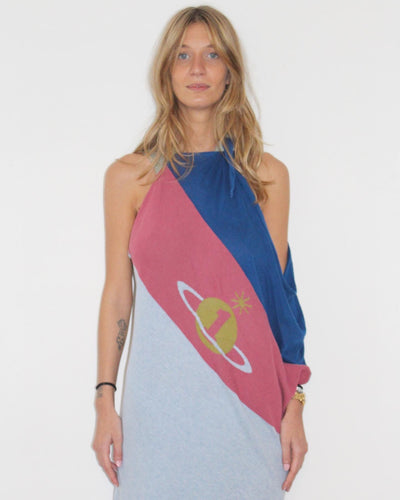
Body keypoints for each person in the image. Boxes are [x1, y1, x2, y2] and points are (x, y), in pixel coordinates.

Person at [92, 5, 311, 499]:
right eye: (183, 55)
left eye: (212, 55)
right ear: (166, 71)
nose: (196, 68)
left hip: (250, 410)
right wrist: (105, 399)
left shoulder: (267, 177)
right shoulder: (129, 178)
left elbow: (280, 300)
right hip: (156, 417)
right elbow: (118, 295)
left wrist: (295, 403)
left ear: (230, 70)